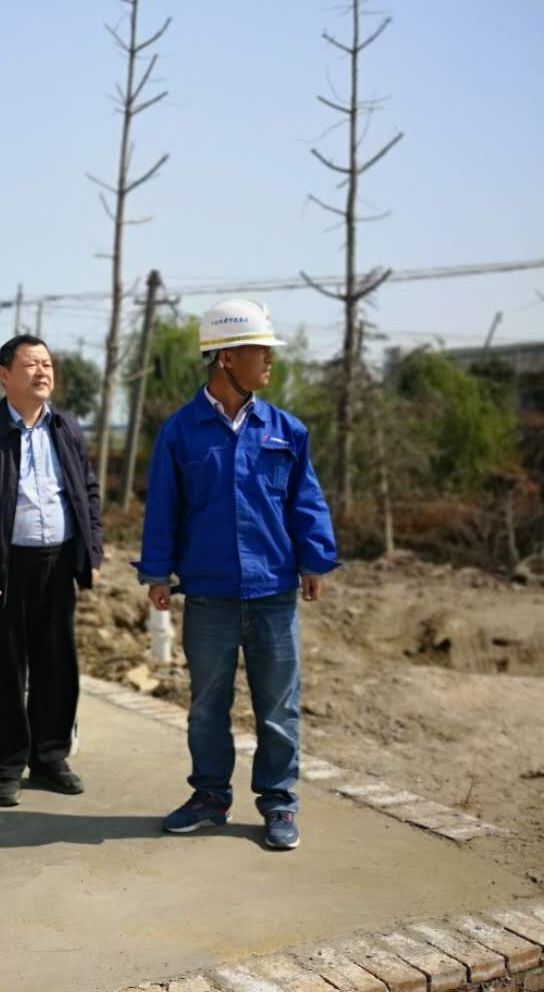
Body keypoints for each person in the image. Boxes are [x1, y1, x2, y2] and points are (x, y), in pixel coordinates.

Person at [135, 298, 339, 851]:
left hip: (273, 591)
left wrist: (313, 559)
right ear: (226, 358)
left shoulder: (285, 430)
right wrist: (157, 573)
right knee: (207, 706)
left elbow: (305, 501)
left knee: (277, 707)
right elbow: (164, 508)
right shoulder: (181, 432)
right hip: (209, 595)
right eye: (260, 350)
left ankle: (278, 802)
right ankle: (209, 797)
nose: (270, 360)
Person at [0, 335, 103, 807]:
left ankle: (51, 758)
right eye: (31, 364)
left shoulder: (66, 428)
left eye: (47, 364)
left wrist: (92, 554)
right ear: (4, 375)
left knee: (57, 664)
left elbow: (88, 492)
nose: (42, 372)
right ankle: (7, 767)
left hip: (58, 562)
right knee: (4, 668)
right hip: (4, 567)